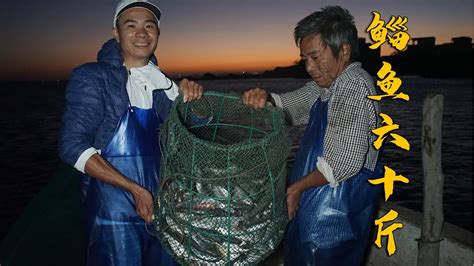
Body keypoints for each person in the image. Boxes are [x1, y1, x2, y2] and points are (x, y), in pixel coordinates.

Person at [58, 0, 203, 265]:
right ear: (116, 32)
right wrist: (134, 189)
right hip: (112, 212)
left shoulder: (164, 84)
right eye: (131, 25)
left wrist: (189, 96)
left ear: (157, 34)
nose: (142, 33)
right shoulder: (93, 77)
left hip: (162, 209)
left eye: (149, 26)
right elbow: (72, 146)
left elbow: (200, 131)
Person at [243, 6, 382, 265]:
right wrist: (264, 98)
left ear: (343, 51)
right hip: (313, 210)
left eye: (316, 57)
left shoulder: (354, 84)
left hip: (336, 217)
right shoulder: (326, 86)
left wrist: (295, 188)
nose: (309, 67)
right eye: (305, 58)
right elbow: (289, 106)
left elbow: (345, 161)